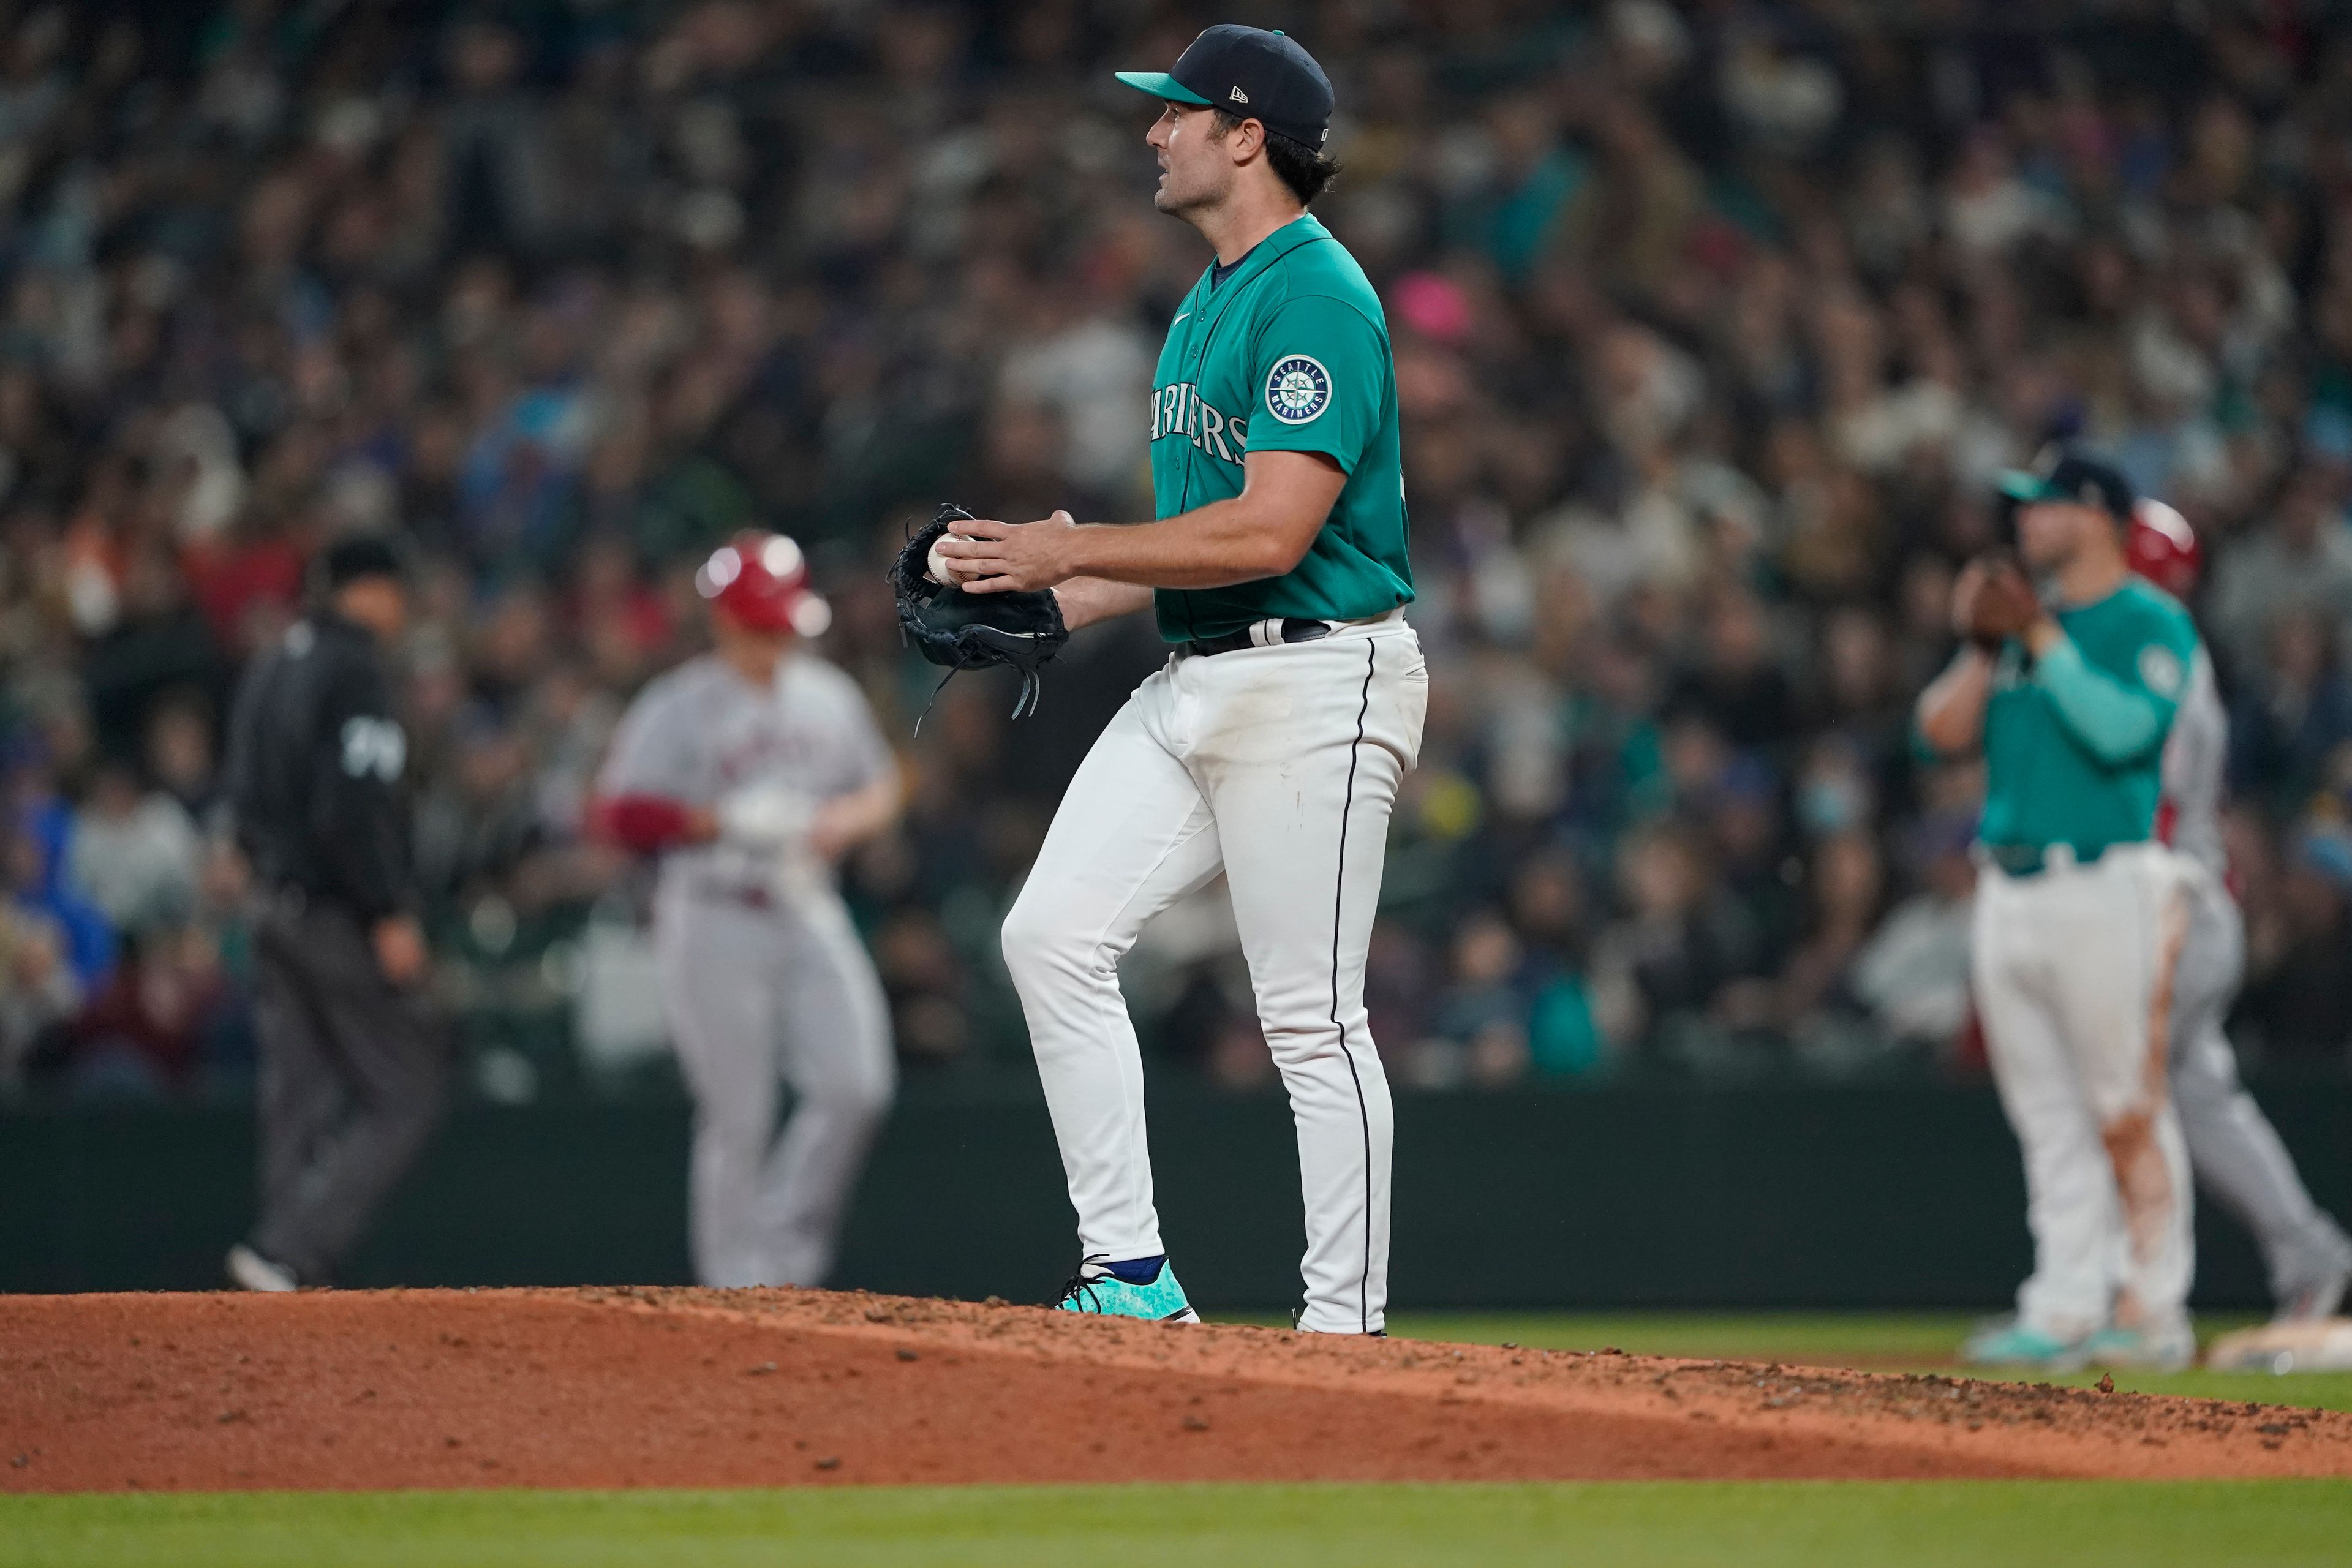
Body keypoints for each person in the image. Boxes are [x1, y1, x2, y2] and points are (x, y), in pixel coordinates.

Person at [937, 24, 1425, 1332]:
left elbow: (1271, 534)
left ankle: (1346, 1329)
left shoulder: (1315, 294)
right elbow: (1200, 548)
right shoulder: (1211, 296)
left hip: (1320, 680)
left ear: (1247, 132)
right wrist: (1046, 588)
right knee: (1050, 936)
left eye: (1178, 113)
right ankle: (1136, 1274)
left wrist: (1069, 542)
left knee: (1309, 1018)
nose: (1154, 131)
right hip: (1202, 673)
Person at [1915, 451, 2203, 1371]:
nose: (2026, 522)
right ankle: (2066, 1303)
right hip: (2010, 885)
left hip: (2106, 881)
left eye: (2045, 507)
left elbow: (2125, 735)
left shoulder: (2146, 622)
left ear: (2100, 517)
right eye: (2024, 508)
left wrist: (2039, 637)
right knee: (2046, 1116)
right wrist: (1982, 643)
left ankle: (2154, 1310)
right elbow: (1939, 734)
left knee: (2126, 1107)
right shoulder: (2021, 628)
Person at [590, 533, 901, 1288]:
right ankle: (736, 1284)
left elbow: (885, 785)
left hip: (804, 902)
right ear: (725, 620)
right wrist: (720, 822)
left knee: (857, 1085)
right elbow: (617, 814)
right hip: (713, 910)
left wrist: (844, 824)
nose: (776, 637)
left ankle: (787, 1259)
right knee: (740, 1116)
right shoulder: (678, 706)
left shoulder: (827, 693)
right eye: (762, 621)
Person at [2127, 501, 2352, 1323]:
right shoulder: (2174, 655)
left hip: (2171, 907)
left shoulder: (2153, 659)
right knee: (2198, 1098)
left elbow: (2141, 808)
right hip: (2198, 903)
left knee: (2117, 1093)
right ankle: (2311, 1254)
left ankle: (2133, 1293)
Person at [220, 535, 443, 1291]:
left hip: (271, 901)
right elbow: (357, 801)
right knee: (406, 1086)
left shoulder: (276, 658)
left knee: (302, 1091)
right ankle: (292, 1248)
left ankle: (281, 1265)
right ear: (372, 589)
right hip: (333, 911)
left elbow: (242, 792)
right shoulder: (355, 667)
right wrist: (387, 909)